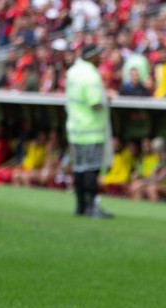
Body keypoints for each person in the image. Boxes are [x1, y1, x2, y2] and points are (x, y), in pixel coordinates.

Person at [65, 43, 113, 218]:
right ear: (92, 56)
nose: (101, 57)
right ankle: (93, 208)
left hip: (75, 129)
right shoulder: (91, 75)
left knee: (79, 169)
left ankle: (80, 207)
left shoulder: (73, 72)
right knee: (91, 170)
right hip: (91, 130)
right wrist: (108, 99)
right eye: (99, 54)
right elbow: (95, 103)